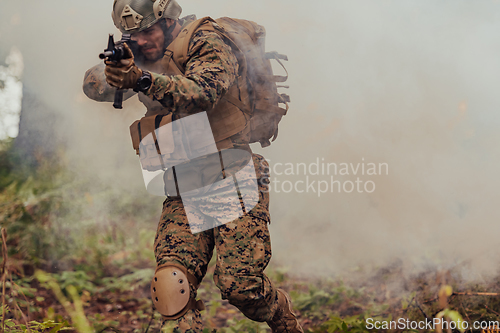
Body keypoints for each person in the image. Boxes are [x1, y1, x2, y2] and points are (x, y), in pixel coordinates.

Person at [83, 0, 303, 332]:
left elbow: (202, 92)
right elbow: (93, 88)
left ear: (168, 19)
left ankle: (280, 315)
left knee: (240, 287)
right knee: (171, 287)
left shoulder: (206, 37)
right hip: (183, 182)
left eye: (147, 32)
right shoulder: (140, 54)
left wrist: (142, 79)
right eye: (132, 36)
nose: (141, 41)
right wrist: (116, 73)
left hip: (233, 171)